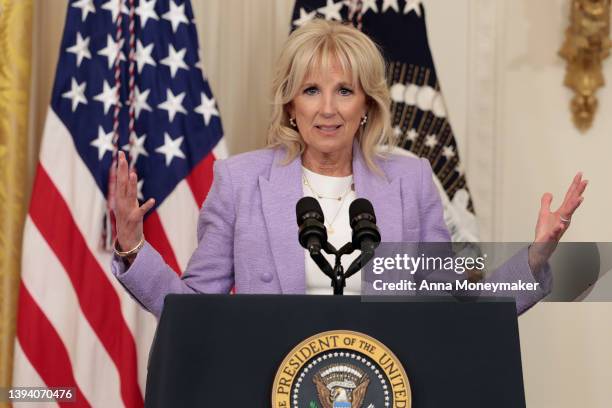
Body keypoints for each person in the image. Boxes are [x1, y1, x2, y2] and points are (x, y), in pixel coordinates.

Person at [111, 19, 587, 319]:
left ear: (366, 104)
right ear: (290, 104)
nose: (327, 109)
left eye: (344, 90)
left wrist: (535, 259)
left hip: (388, 382)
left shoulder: (410, 180)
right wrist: (133, 248)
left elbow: (457, 303)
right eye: (311, 90)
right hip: (269, 382)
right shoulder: (238, 181)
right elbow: (194, 311)